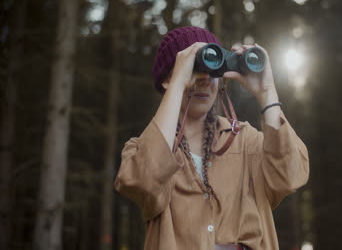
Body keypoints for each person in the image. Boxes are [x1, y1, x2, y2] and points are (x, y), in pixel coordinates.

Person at [114, 26, 309, 250]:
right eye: (196, 68)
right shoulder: (142, 149)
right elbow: (142, 181)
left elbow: (290, 174)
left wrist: (267, 93)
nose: (205, 80)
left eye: (212, 69)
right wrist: (178, 84)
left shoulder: (245, 141)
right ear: (168, 80)